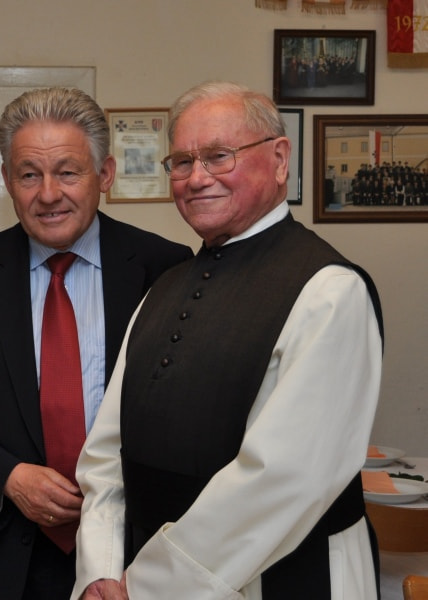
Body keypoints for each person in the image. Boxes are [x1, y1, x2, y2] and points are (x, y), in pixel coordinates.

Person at [72, 81, 384, 600]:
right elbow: (107, 451)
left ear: (279, 159)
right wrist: (101, 569)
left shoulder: (330, 291)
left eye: (219, 156)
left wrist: (144, 586)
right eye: (182, 162)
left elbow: (283, 480)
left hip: (280, 578)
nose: (196, 179)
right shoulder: (164, 287)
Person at [0, 87, 192, 600]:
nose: (49, 194)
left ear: (105, 174)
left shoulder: (164, 269)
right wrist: (7, 477)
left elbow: (184, 414)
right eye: (29, 174)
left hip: (132, 557)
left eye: (68, 172)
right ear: (7, 180)